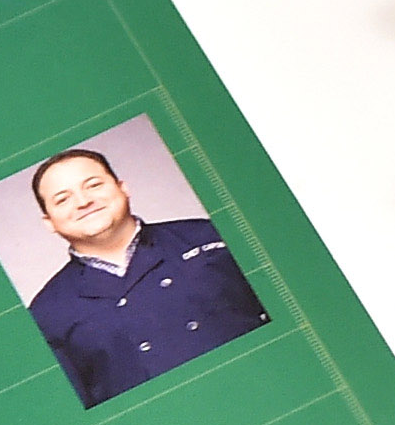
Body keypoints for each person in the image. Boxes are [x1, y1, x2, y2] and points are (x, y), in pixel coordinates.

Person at [22, 148, 269, 406]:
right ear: (49, 222)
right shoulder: (45, 313)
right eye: (63, 199)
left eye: (94, 185)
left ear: (122, 187)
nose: (83, 202)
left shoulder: (212, 236)